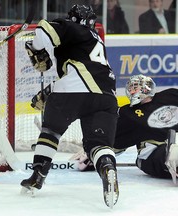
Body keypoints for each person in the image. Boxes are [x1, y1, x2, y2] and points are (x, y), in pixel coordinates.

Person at [21, 4, 119, 208]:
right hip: (107, 96)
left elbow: (43, 30)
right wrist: (50, 91)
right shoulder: (95, 39)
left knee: (50, 132)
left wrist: (36, 48)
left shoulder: (72, 27)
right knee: (98, 144)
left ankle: (38, 175)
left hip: (73, 91)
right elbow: (84, 72)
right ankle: (108, 168)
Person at [72, 74, 178, 184]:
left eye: (135, 87)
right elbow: (112, 140)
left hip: (172, 145)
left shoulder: (170, 96)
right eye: (131, 88)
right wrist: (93, 152)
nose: (132, 91)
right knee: (173, 154)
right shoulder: (126, 114)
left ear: (147, 87)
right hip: (151, 155)